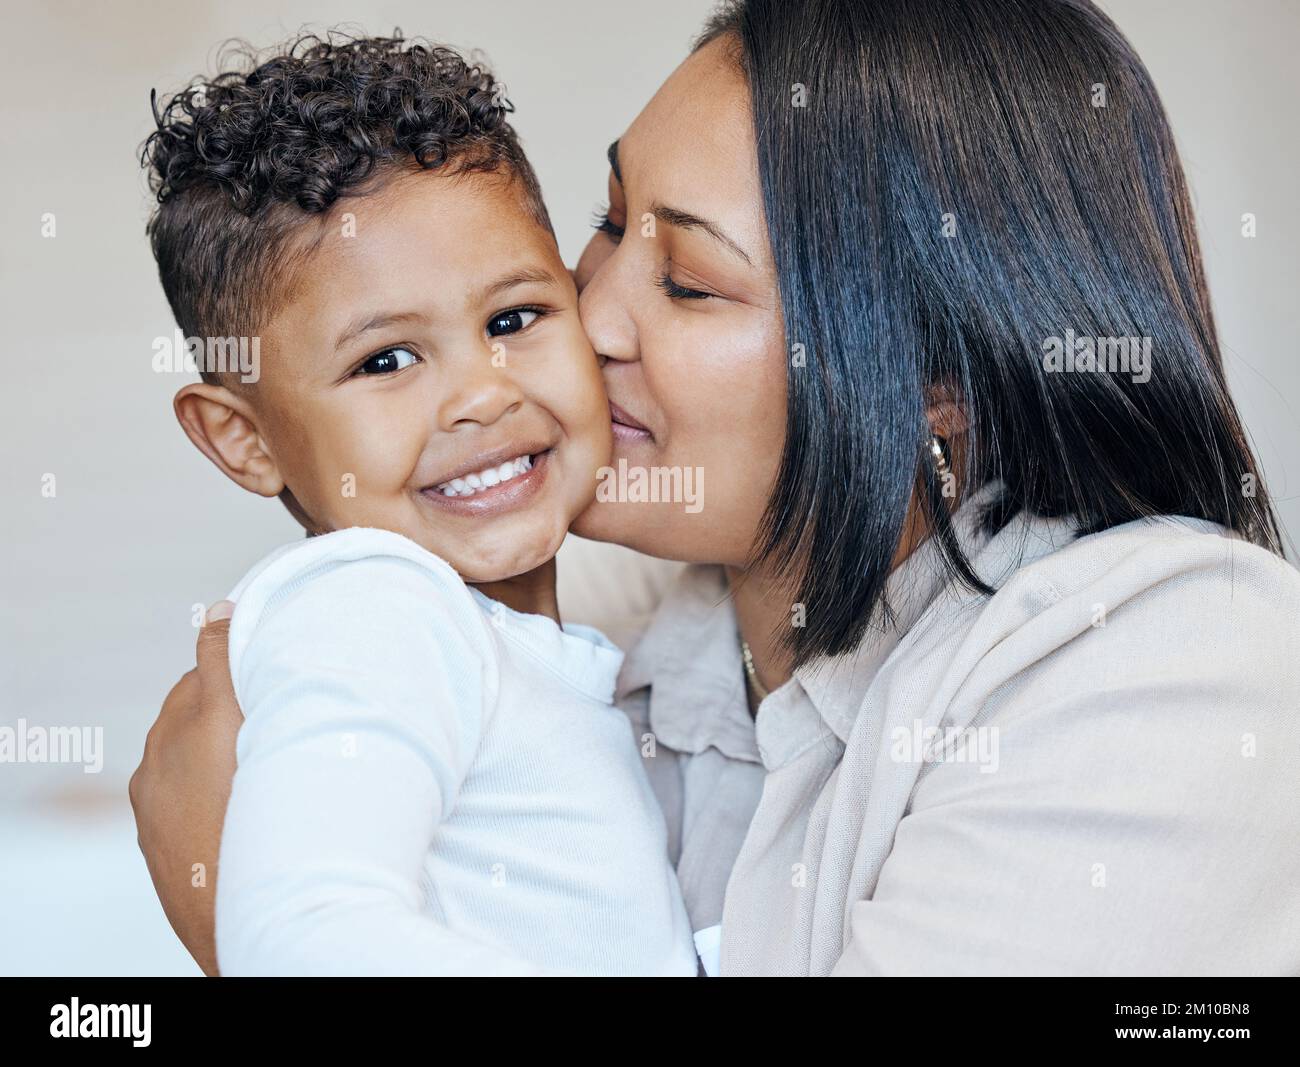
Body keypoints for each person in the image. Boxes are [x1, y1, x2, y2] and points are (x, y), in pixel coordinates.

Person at [133, 0, 1300, 976]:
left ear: (938, 380)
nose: (579, 319)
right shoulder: (566, 649)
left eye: (687, 280)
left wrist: (229, 911)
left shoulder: (1168, 657)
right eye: (603, 224)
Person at [138, 33, 697, 976]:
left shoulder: (489, 643)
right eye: (384, 360)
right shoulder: (375, 607)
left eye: (513, 320)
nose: (482, 391)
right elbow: (305, 936)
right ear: (247, 438)